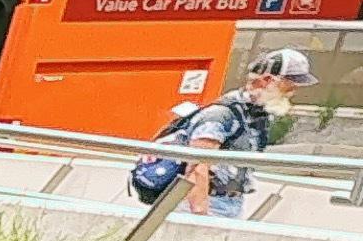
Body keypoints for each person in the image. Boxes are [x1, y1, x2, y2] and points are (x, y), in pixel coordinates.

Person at [136, 47, 317, 217]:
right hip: (205, 201)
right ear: (267, 80)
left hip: (231, 202)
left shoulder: (257, 116)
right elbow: (197, 166)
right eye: (289, 86)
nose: (292, 93)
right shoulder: (223, 114)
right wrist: (199, 213)